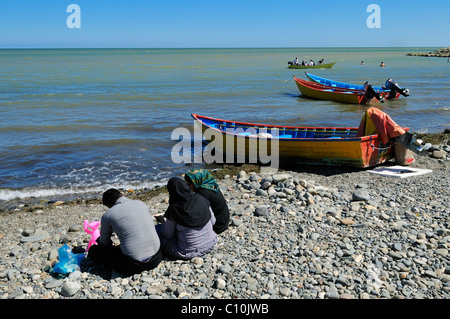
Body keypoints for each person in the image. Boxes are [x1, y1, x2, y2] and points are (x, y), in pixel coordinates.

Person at [87, 188, 162, 276]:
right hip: (156, 257)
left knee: (93, 250)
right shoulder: (141, 204)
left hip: (134, 265)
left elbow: (104, 243)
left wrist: (99, 240)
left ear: (110, 205)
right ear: (122, 195)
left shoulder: (108, 215)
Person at [155, 177, 217, 260]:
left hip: (188, 251)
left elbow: (168, 235)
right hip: (211, 243)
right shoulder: (201, 199)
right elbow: (213, 221)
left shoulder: (175, 208)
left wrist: (162, 221)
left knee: (157, 231)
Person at [184, 169, 230, 234]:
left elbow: (198, 212)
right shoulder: (211, 185)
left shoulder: (204, 193)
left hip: (218, 225)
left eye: (189, 184)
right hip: (224, 219)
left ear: (196, 181)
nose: (189, 187)